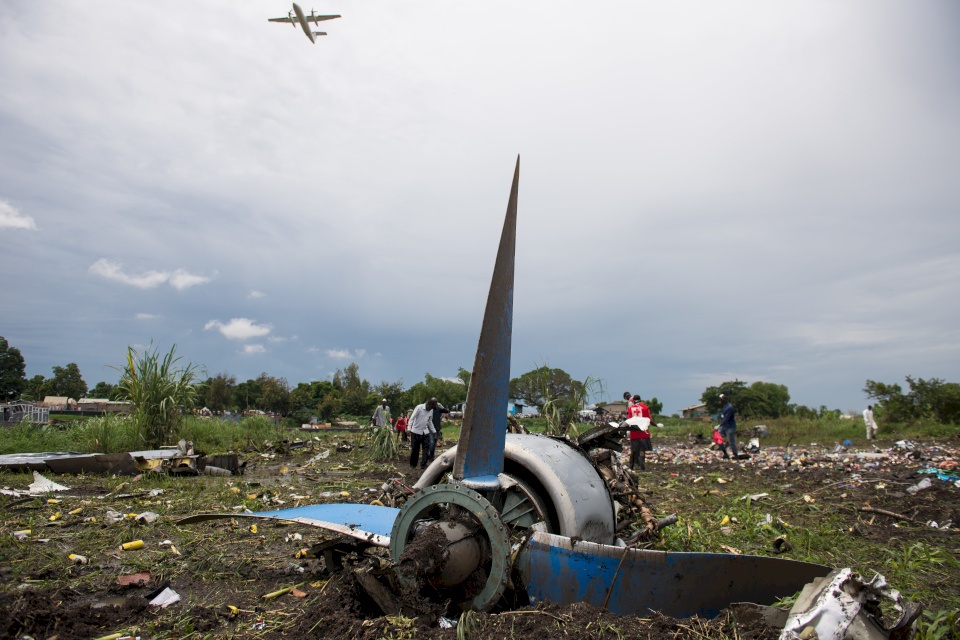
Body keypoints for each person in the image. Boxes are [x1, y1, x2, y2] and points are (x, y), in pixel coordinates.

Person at [408, 398, 437, 469]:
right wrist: (409, 429)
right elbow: (412, 418)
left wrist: (434, 431)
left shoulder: (431, 410)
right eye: (431, 407)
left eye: (433, 408)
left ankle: (423, 464)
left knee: (426, 449)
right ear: (428, 404)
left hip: (425, 432)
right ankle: (413, 465)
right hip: (416, 431)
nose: (431, 409)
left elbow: (430, 421)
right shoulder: (419, 407)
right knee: (415, 450)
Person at [627, 395, 653, 471]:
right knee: (642, 450)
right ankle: (642, 466)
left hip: (634, 433)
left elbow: (629, 420)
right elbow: (649, 420)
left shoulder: (630, 409)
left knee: (634, 450)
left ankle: (631, 467)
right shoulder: (645, 408)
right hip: (644, 433)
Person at [425, 397, 450, 464]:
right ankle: (429, 456)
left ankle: (431, 457)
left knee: (434, 442)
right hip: (430, 428)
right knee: (432, 442)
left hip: (437, 428)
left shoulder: (438, 409)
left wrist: (442, 407)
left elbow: (447, 411)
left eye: (435, 403)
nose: (434, 404)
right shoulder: (429, 410)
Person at [717, 393, 739, 460]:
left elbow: (726, 418)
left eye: (721, 400)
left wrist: (719, 425)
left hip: (730, 427)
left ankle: (736, 455)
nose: (720, 401)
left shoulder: (729, 407)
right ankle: (725, 453)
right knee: (718, 439)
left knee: (731, 441)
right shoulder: (725, 406)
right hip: (724, 426)